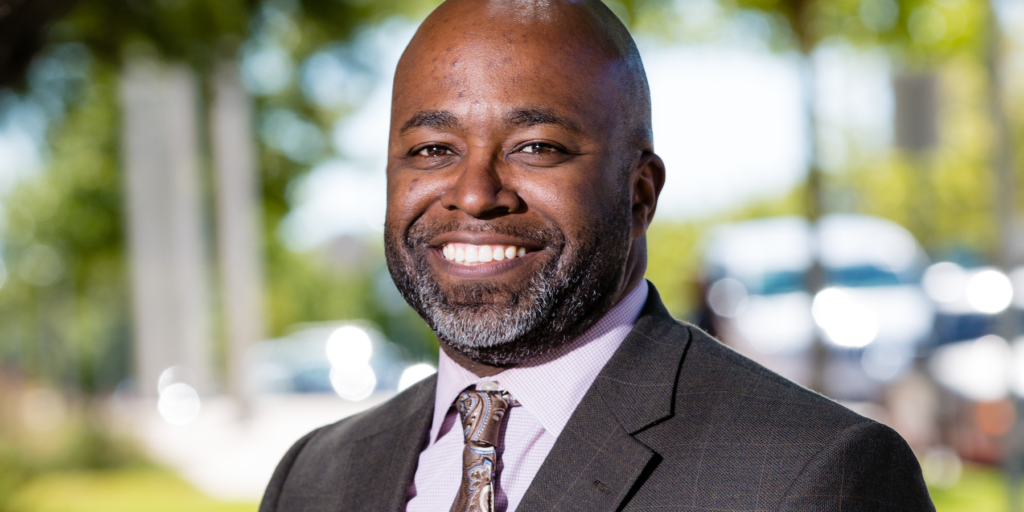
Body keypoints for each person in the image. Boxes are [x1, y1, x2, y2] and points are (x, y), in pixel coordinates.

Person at [259, 0, 935, 510]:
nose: (475, 193)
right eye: (433, 150)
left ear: (640, 194)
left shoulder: (816, 476)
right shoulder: (314, 477)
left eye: (536, 147)